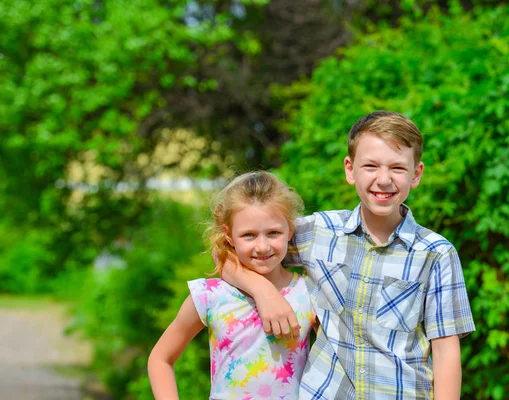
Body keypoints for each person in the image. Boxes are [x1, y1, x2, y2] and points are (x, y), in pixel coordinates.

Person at [221, 111, 476, 399]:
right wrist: (263, 291)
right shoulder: (316, 232)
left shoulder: (436, 253)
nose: (383, 179)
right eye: (370, 166)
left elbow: (446, 354)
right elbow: (231, 256)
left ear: (416, 174)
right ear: (350, 169)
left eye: (398, 168)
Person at [148, 171, 316, 400]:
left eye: (273, 232)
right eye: (249, 235)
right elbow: (160, 359)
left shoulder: (309, 293)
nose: (262, 246)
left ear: (290, 230)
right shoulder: (210, 296)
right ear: (229, 235)